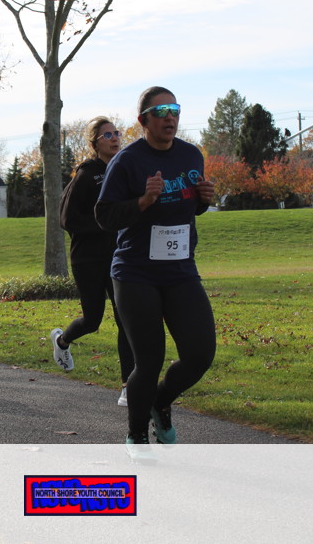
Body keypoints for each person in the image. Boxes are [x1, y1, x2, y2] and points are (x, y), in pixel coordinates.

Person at [96, 87, 216, 454]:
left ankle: (160, 403)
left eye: (174, 110)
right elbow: (104, 216)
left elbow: (188, 207)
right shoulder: (127, 161)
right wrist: (143, 201)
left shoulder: (191, 155)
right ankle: (136, 434)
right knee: (148, 361)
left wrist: (203, 201)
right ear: (143, 120)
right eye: (161, 111)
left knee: (200, 355)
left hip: (180, 270)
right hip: (136, 272)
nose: (170, 117)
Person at [50, 116, 135, 407]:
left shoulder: (124, 170)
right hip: (87, 259)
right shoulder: (86, 175)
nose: (114, 138)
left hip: (119, 258)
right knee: (92, 320)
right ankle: (62, 341)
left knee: (126, 321)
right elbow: (67, 219)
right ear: (94, 143)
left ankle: (128, 386)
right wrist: (105, 223)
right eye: (106, 135)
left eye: (116, 133)